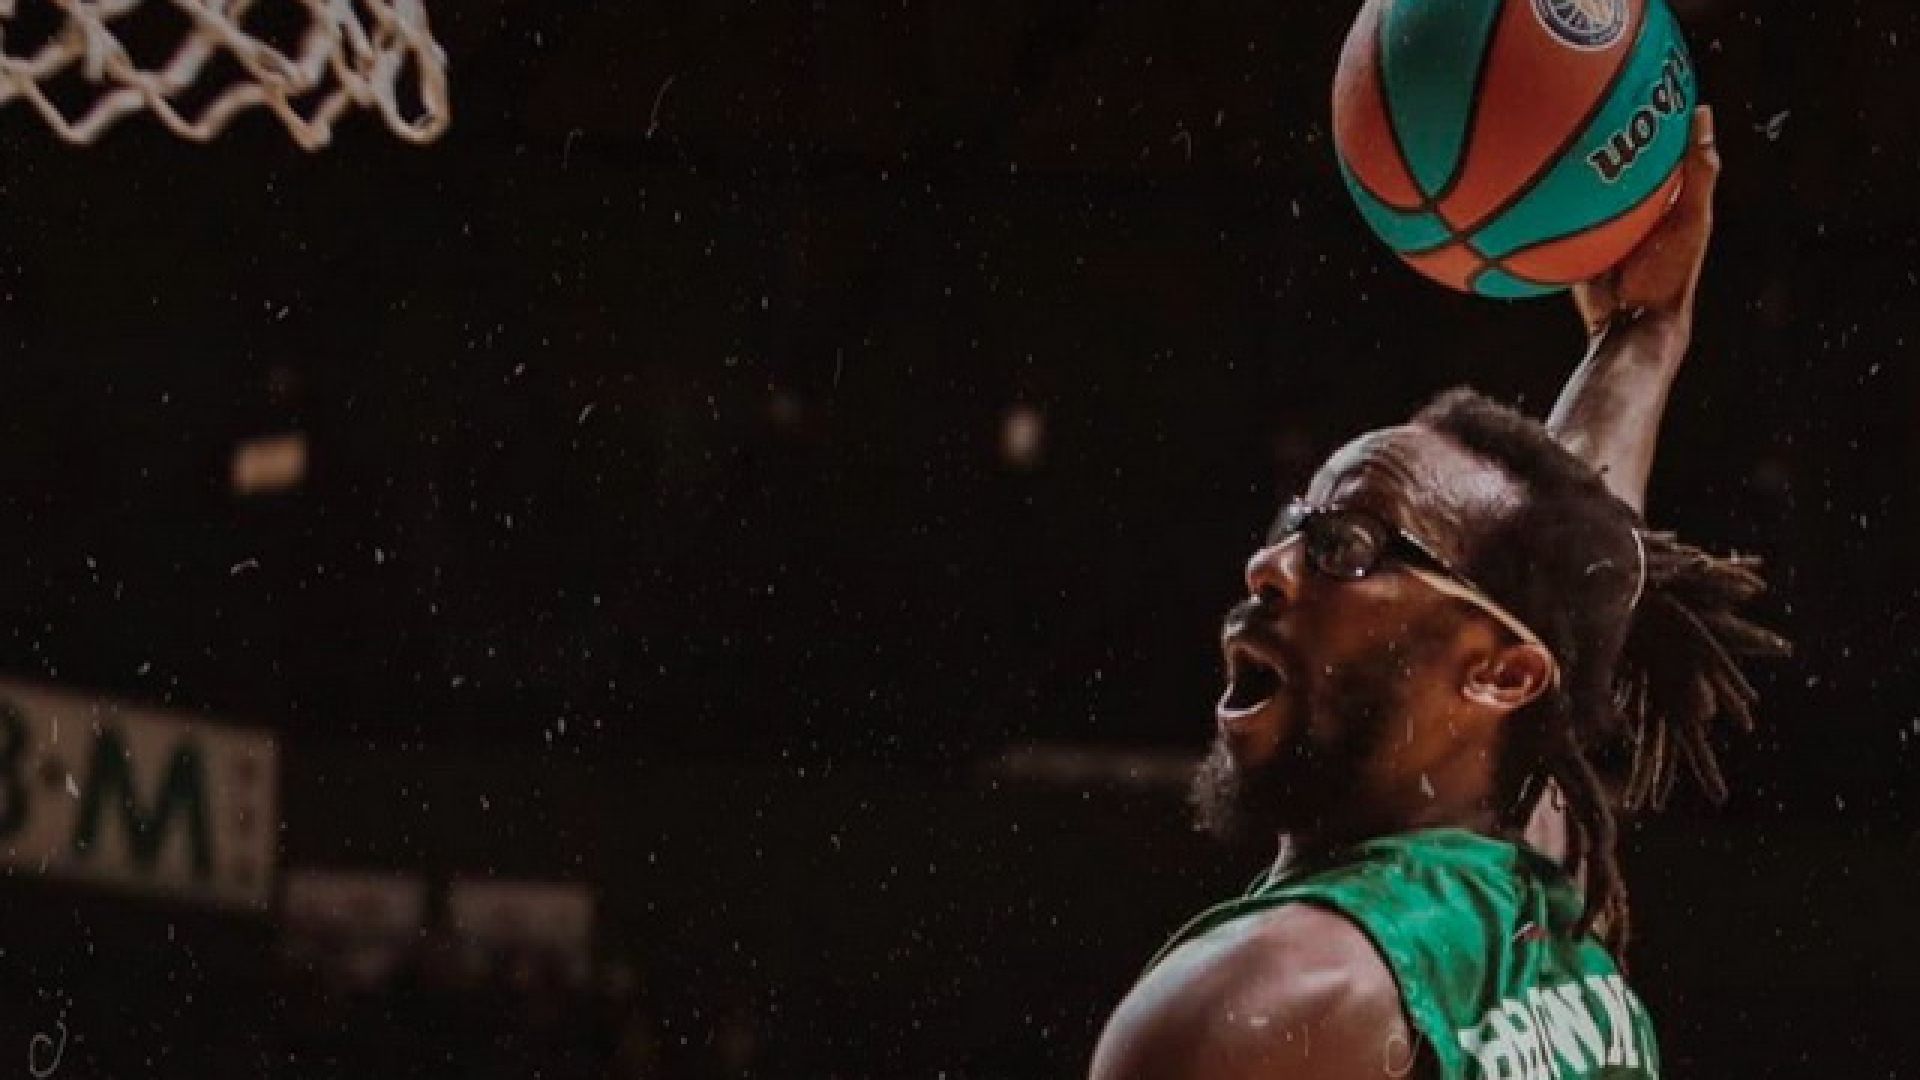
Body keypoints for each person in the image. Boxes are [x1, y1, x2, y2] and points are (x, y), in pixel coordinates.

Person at [1089, 107, 1787, 1080]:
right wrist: (1641, 335)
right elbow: (1567, 584)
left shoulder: (1261, 1008)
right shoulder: (1538, 899)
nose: (1269, 565)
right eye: (1293, 525)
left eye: (1345, 547)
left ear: (1499, 676)